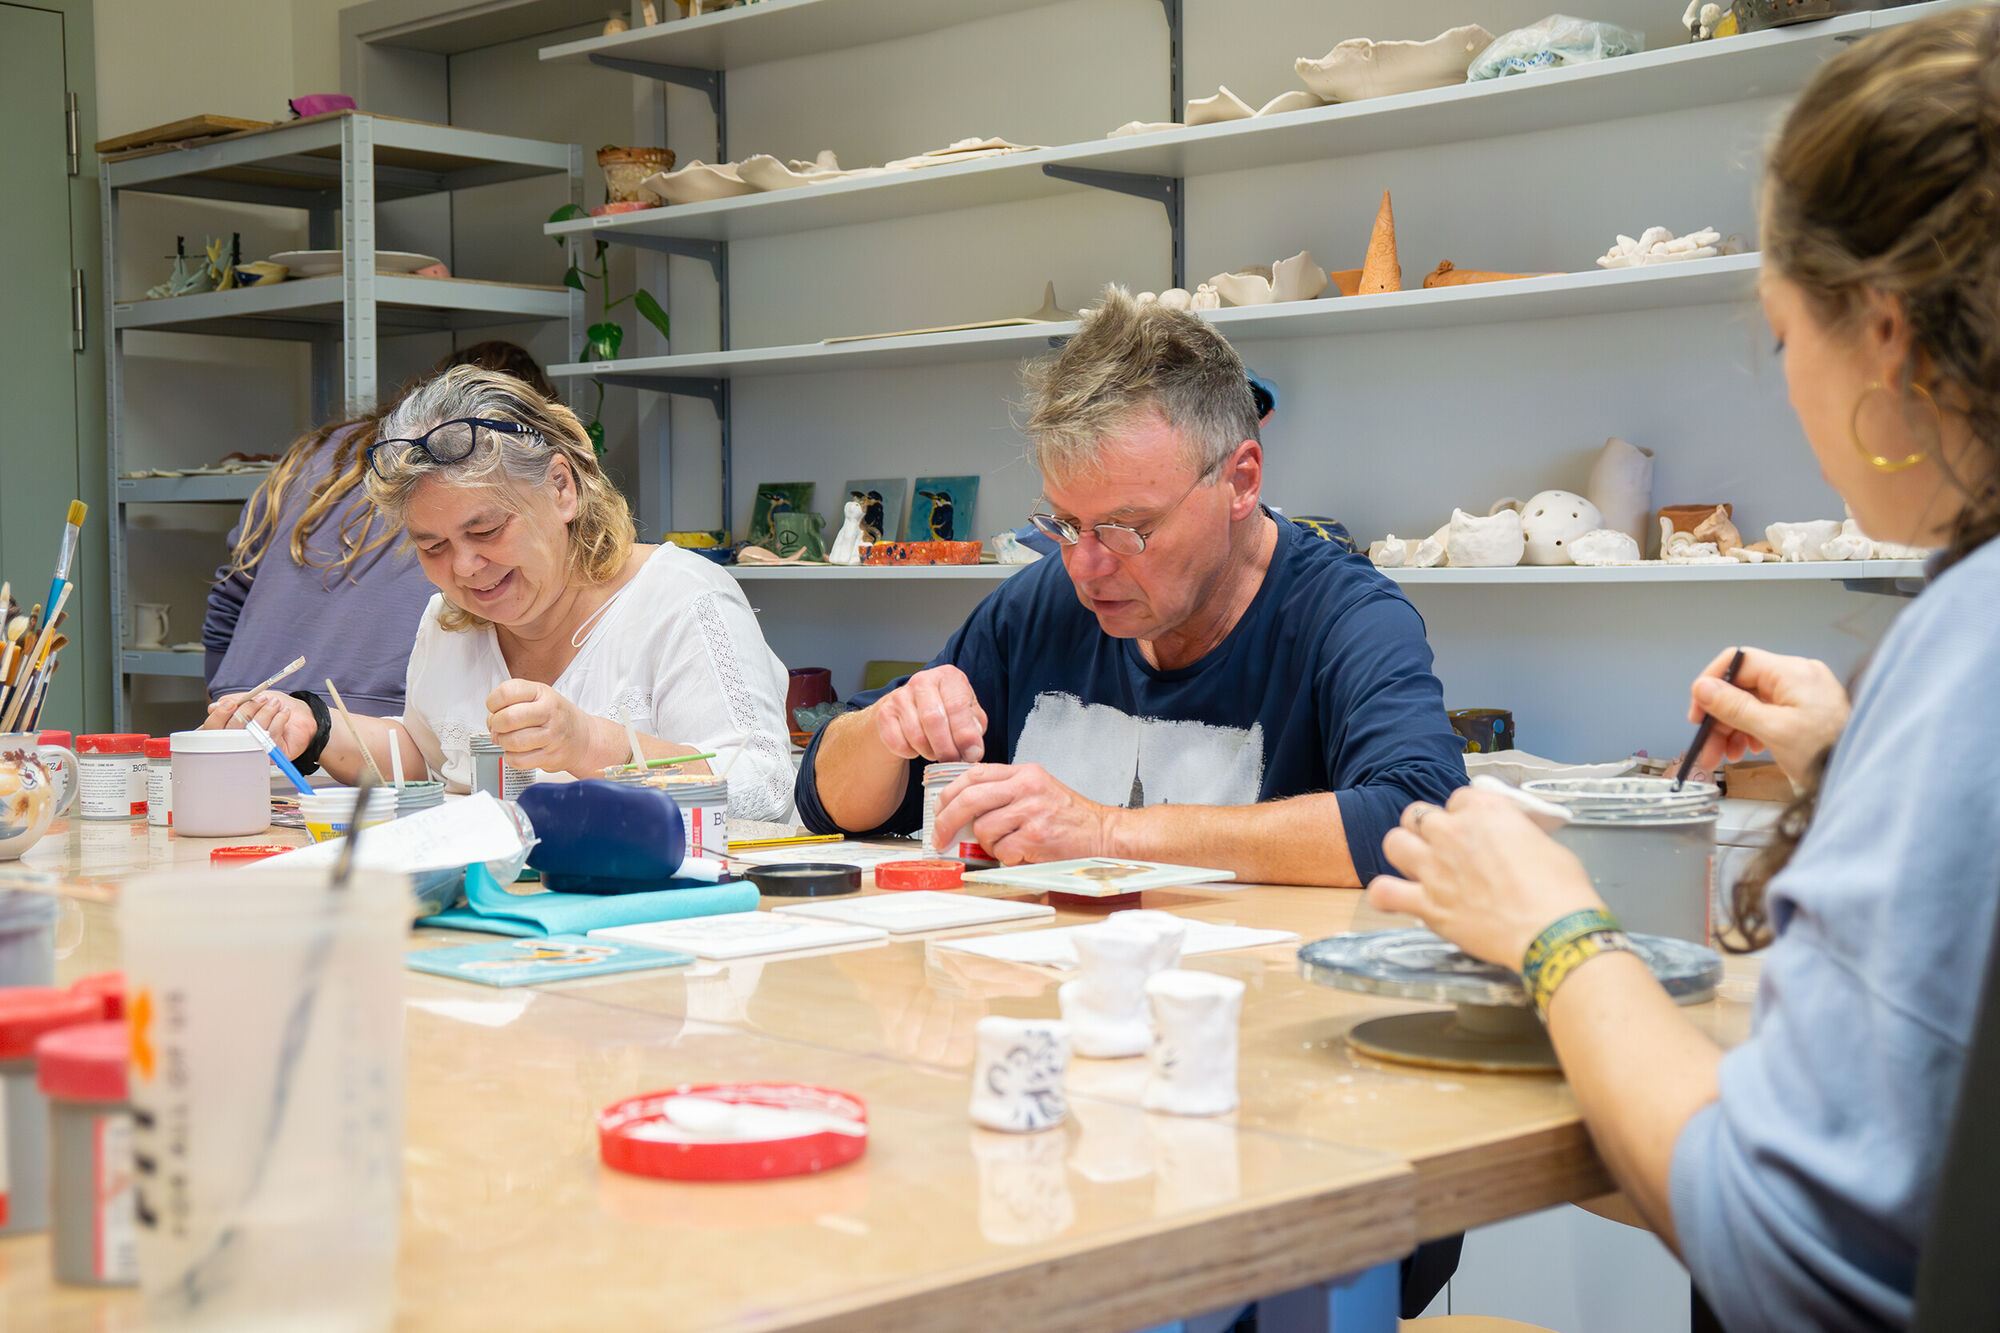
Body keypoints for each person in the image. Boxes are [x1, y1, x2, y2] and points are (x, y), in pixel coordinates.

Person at [1370, 12, 2000, 1329]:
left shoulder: (1971, 641)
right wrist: (1858, 760)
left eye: (1781, 335)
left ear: (1886, 334)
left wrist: (1554, 930)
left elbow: (1783, 1250)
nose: (1787, 384)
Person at [796, 288, 1467, 887]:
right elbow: (827, 800)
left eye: (1129, 529)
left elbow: (1423, 820)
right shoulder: (1038, 607)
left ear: (1240, 482)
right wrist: (887, 730)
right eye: (1064, 523)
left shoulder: (1345, 618)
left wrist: (1107, 833)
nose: (1086, 568)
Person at [203, 365, 798, 821]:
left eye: (487, 530)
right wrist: (316, 727)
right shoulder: (450, 618)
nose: (465, 567)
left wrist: (592, 743)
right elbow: (427, 758)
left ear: (561, 488)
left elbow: (765, 790)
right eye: (432, 545)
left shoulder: (683, 600)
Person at [203, 340, 557, 718]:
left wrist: (229, 704)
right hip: (374, 717)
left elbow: (228, 600)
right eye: (433, 544)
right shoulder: (426, 479)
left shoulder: (314, 453)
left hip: (246, 703)